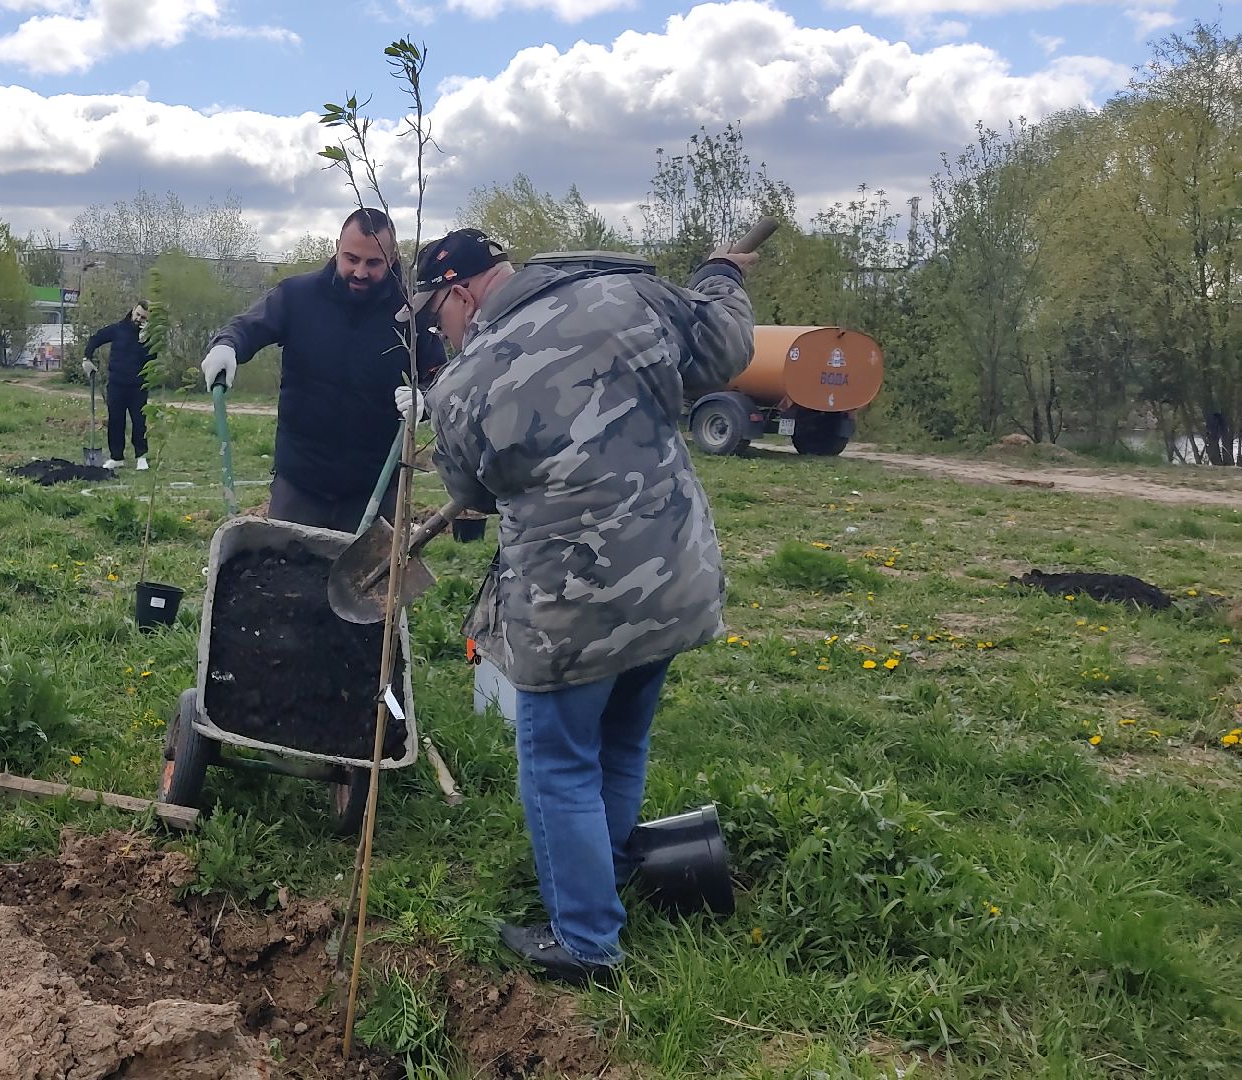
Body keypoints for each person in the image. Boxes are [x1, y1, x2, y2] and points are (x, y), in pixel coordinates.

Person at [411, 227, 757, 983]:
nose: (440, 329)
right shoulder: (626, 296)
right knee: (622, 741)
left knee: (560, 764)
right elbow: (728, 344)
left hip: (569, 604)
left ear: (462, 292)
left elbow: (469, 495)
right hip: (672, 577)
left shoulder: (464, 383)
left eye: (437, 314)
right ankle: (606, 878)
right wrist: (723, 271)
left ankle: (586, 942)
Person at [200, 207, 446, 530]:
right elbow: (248, 326)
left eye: (373, 263)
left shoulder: (410, 314)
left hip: (375, 486)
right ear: (337, 248)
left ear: (393, 257)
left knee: (370, 579)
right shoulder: (298, 296)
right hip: (299, 482)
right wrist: (226, 345)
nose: (360, 272)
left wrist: (425, 399)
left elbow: (441, 376)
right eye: (351, 258)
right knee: (280, 573)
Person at [82, 300, 155, 471]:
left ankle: (141, 456)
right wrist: (86, 358)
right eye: (137, 315)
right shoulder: (118, 329)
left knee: (139, 421)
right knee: (115, 420)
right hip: (116, 384)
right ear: (132, 311)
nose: (138, 319)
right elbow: (96, 338)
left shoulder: (149, 338)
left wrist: (146, 342)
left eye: (143, 318)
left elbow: (152, 360)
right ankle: (116, 457)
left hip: (138, 386)